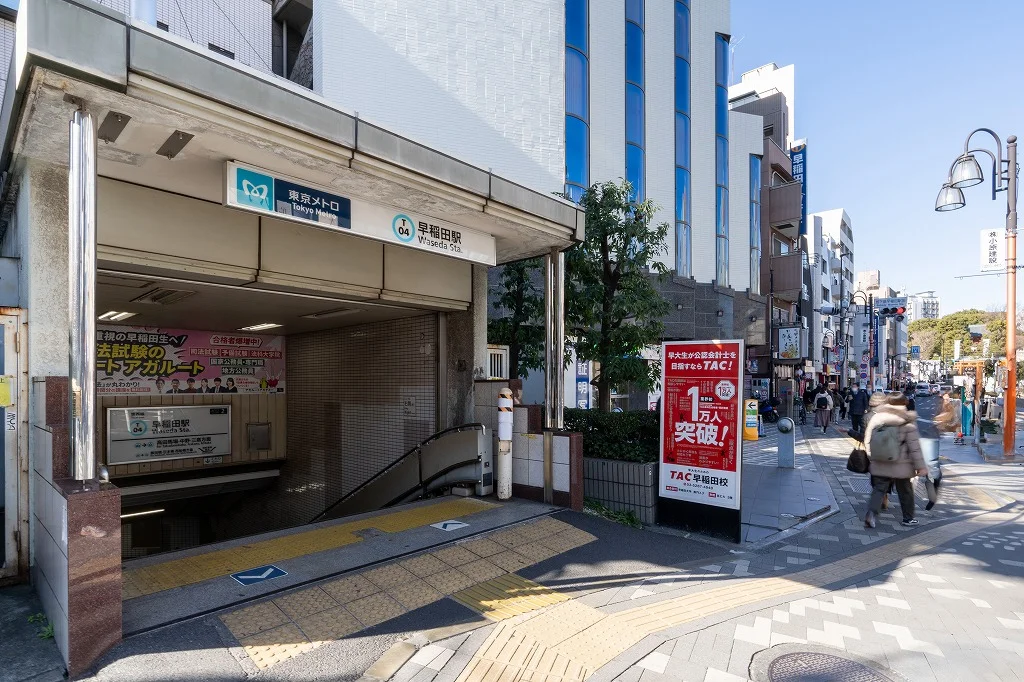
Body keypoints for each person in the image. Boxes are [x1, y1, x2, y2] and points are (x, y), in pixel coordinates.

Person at [863, 393, 927, 528]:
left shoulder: (877, 417)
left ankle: (871, 514)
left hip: (880, 460)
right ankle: (908, 519)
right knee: (905, 491)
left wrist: (871, 456)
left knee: (879, 489)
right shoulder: (907, 419)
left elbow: (868, 439)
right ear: (904, 403)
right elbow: (914, 447)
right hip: (901, 464)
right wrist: (920, 466)